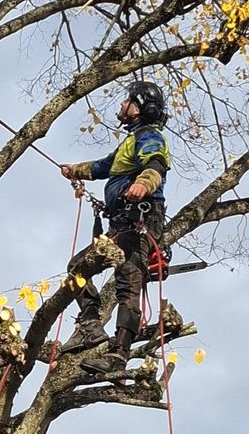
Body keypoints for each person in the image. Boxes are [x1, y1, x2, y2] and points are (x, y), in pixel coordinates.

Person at [60, 80, 170, 365]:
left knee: (129, 279)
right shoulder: (130, 143)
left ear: (139, 107)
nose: (121, 105)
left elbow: (156, 164)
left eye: (127, 100)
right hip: (121, 223)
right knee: (77, 267)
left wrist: (143, 184)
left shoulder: (149, 136)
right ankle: (91, 326)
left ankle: (119, 352)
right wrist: (75, 170)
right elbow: (101, 167)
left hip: (140, 219)